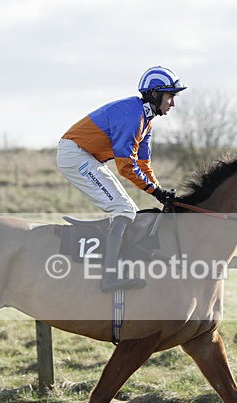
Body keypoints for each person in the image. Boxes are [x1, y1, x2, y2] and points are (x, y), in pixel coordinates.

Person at [57, 66, 186, 292]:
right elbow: (126, 166)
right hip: (75, 155)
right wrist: (155, 192)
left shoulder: (146, 119)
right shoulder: (132, 116)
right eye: (170, 96)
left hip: (85, 155)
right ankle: (109, 276)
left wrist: (158, 190)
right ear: (155, 94)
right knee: (123, 208)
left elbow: (143, 164)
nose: (173, 103)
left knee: (127, 209)